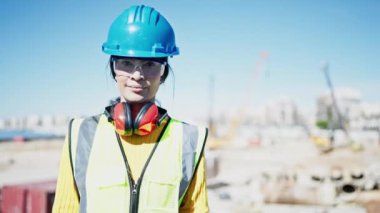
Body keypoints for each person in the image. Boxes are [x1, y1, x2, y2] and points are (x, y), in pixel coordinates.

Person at [52, 4, 209, 213]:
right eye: (126, 63)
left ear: (164, 73)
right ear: (113, 69)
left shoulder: (190, 140)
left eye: (150, 64)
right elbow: (65, 208)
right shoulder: (80, 135)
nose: (137, 75)